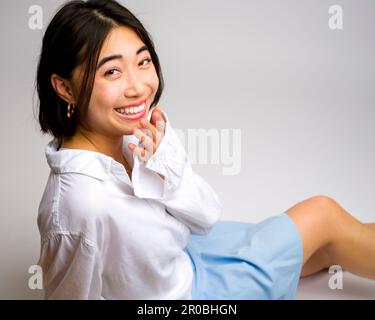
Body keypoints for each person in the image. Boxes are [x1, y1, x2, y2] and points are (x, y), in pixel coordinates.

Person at [36, 0, 375, 300]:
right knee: (325, 215)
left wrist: (162, 166)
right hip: (197, 293)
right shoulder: (79, 204)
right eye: (112, 71)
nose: (139, 87)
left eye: (143, 62)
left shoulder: (132, 137)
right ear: (65, 87)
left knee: (329, 246)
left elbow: (206, 217)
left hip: (192, 252)